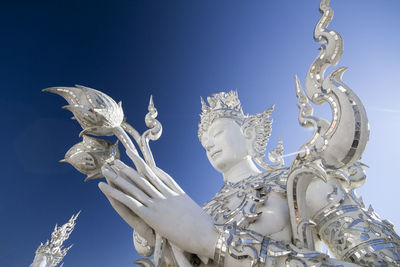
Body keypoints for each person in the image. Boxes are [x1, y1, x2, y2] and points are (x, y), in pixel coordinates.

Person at [98, 90, 400, 266]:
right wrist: (165, 246)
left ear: (249, 132)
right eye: (204, 144)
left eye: (216, 133)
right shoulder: (203, 210)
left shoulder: (300, 181)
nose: (210, 145)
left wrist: (217, 241)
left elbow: (385, 263)